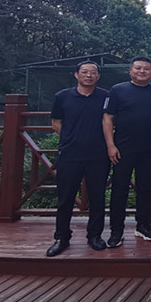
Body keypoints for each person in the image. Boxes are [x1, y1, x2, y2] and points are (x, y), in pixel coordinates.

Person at [47, 61, 110, 257]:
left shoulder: (106, 96)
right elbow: (56, 122)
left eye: (93, 72)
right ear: (76, 74)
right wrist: (71, 138)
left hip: (98, 154)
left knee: (97, 197)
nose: (88, 75)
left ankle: (95, 236)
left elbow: (110, 121)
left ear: (98, 76)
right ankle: (61, 237)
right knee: (65, 198)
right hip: (70, 154)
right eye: (84, 72)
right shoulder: (62, 96)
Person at [103, 57, 151, 247]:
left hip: (149, 149)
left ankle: (143, 226)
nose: (142, 71)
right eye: (138, 68)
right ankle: (116, 231)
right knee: (119, 190)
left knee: (146, 189)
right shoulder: (118, 90)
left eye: (146, 68)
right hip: (123, 148)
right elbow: (108, 118)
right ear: (130, 71)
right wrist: (110, 145)